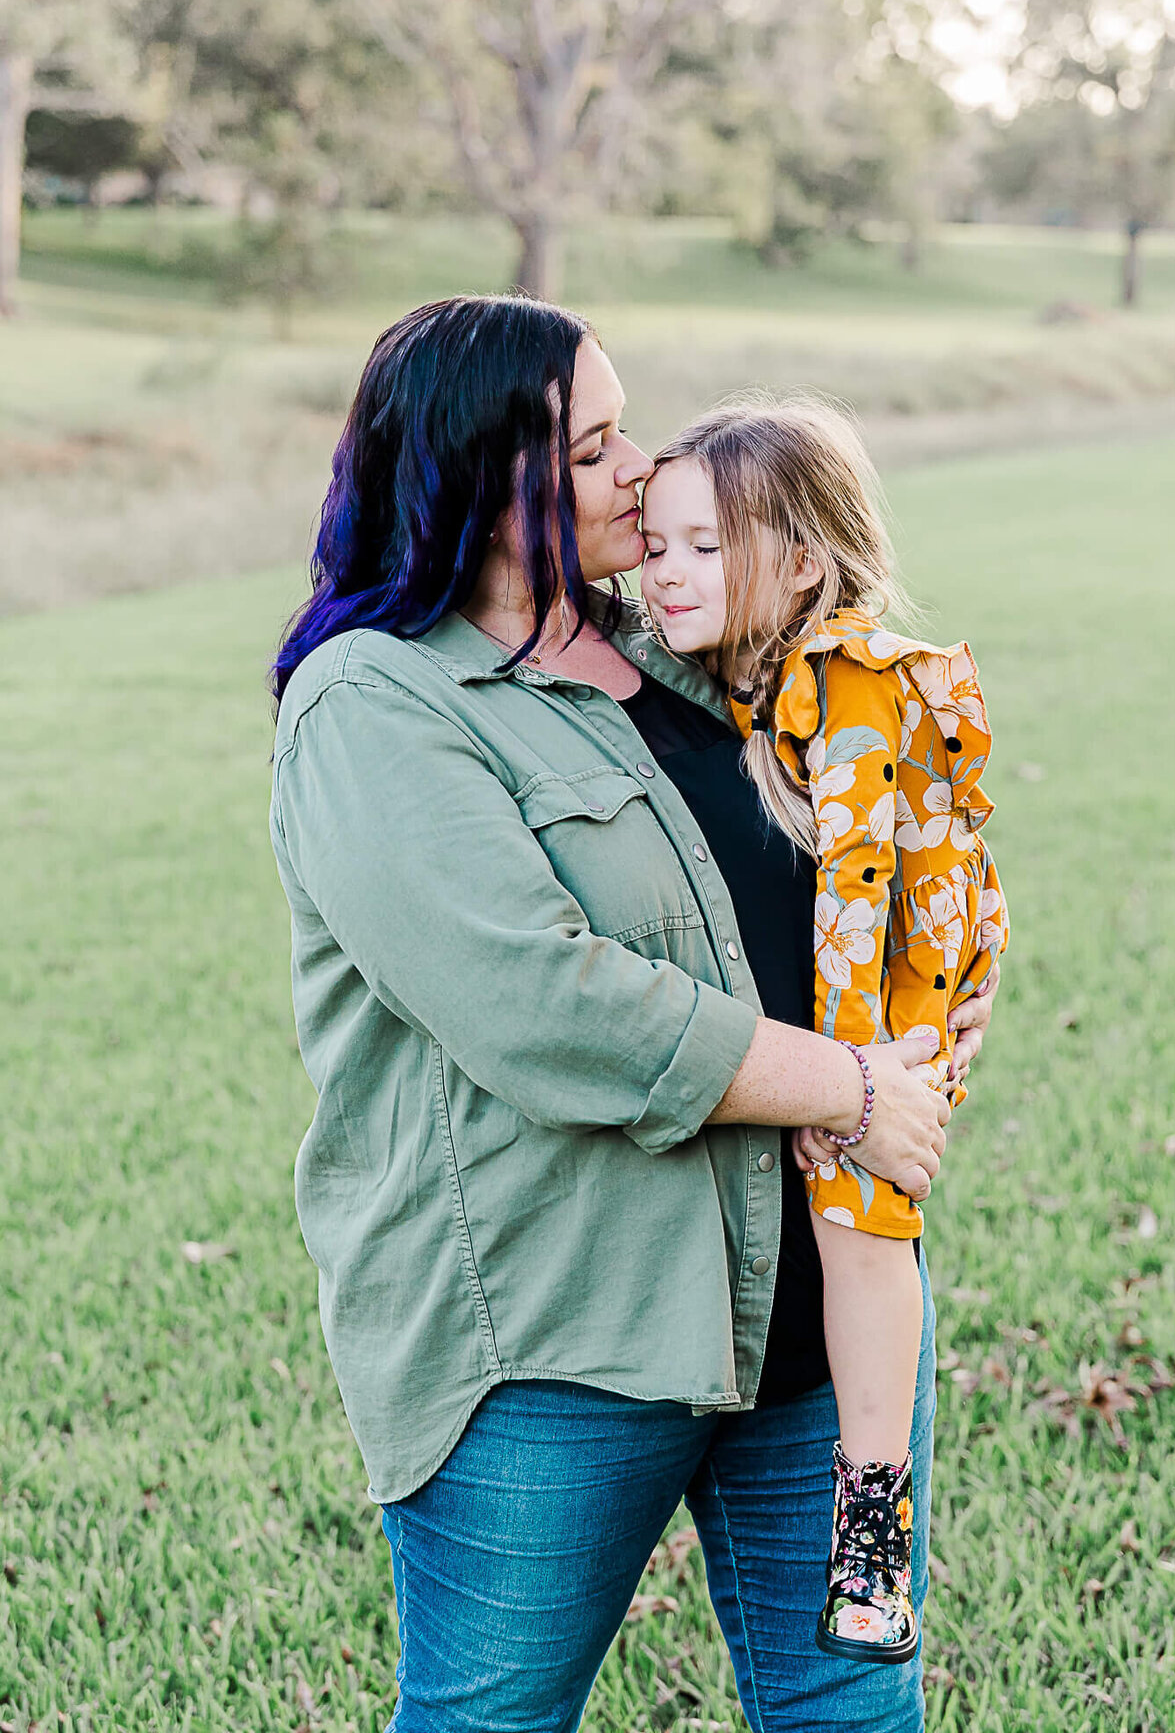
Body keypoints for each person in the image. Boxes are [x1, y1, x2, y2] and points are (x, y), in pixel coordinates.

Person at [269, 294, 997, 1732]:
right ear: (481, 480)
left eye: (626, 423)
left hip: (804, 1314)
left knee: (852, 1713)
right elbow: (540, 1001)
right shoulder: (376, 701)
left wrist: (942, 999)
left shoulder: (685, 638)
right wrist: (851, 1087)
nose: (639, 466)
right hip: (561, 1338)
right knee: (493, 1716)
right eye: (594, 446)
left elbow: (867, 839)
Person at [640, 397, 1010, 1665]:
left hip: (899, 954)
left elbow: (859, 884)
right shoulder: (756, 663)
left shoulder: (842, 673)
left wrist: (848, 1086)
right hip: (889, 952)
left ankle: (872, 1514)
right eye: (659, 543)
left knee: (861, 1214)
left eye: (707, 547)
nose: (669, 573)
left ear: (802, 561)